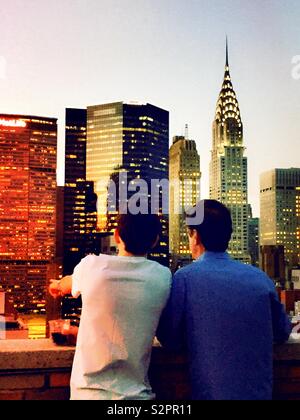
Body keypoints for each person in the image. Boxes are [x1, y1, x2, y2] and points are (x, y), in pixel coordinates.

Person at [157, 199, 291, 401]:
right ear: (228, 235)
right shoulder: (261, 279)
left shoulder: (184, 279)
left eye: (189, 234)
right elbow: (282, 332)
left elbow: (170, 339)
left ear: (196, 235)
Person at [49, 213, 171, 400]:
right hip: (137, 396)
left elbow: (65, 284)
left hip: (87, 395)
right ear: (155, 241)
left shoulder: (92, 266)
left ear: (116, 236)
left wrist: (56, 285)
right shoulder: (163, 276)